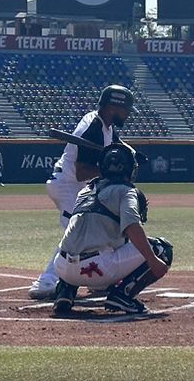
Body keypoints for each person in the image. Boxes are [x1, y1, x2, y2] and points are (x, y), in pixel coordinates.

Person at [29, 84, 135, 300]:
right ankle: (46, 282)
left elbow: (115, 141)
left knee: (100, 230)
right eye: (125, 109)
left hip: (76, 187)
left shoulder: (105, 125)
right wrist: (111, 172)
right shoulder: (94, 128)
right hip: (68, 186)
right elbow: (81, 172)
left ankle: (99, 279)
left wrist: (131, 153)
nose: (128, 114)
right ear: (114, 107)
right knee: (75, 234)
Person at [49, 142, 173, 317]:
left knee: (81, 240)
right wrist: (152, 260)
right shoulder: (126, 191)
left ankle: (65, 292)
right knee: (162, 248)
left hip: (61, 267)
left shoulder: (85, 190)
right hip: (96, 269)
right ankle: (122, 295)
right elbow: (132, 227)